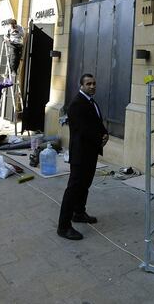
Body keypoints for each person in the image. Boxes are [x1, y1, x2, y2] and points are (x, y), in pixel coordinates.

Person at [57, 73, 109, 241]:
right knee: (73, 188)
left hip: (91, 152)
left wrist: (105, 134)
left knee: (85, 184)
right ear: (81, 85)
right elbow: (82, 129)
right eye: (88, 84)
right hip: (81, 153)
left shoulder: (90, 101)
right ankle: (63, 227)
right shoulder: (76, 104)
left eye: (94, 83)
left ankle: (79, 213)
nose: (92, 86)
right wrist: (98, 138)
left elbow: (96, 122)